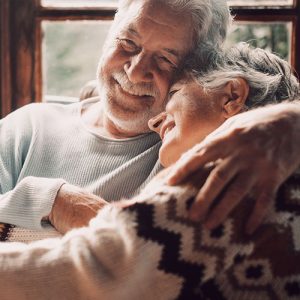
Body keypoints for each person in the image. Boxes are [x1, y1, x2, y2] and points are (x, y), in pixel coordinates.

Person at [0, 43, 299, 300]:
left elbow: (76, 274)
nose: (155, 123)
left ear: (232, 95)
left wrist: (45, 198)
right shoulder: (287, 184)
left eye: (176, 93)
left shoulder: (219, 187)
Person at [0, 0, 231, 232]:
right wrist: (50, 200)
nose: (136, 71)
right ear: (109, 36)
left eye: (166, 60)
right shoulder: (29, 126)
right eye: (128, 43)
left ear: (196, 74)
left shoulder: (186, 154)